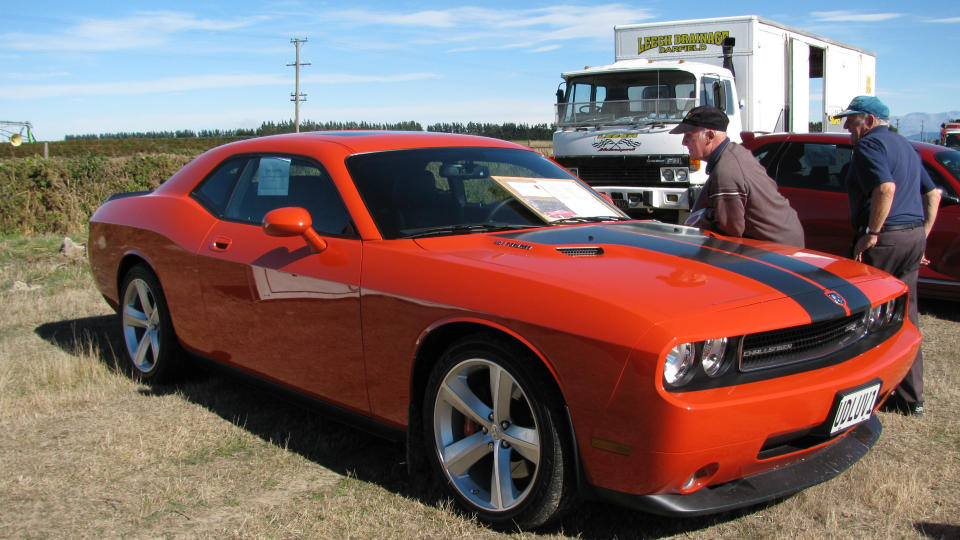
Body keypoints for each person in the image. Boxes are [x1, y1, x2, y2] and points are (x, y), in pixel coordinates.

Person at [834, 95, 941, 417]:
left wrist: (873, 233)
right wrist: (922, 234)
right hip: (910, 237)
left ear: (868, 120)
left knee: (865, 316)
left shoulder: (868, 146)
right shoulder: (907, 146)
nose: (846, 126)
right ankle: (910, 398)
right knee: (907, 315)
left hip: (886, 239)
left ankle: (861, 396)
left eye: (851, 120)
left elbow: (886, 188)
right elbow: (933, 193)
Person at [671, 105, 805, 248]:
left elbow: (728, 234)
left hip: (777, 251)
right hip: (782, 243)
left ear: (710, 136)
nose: (684, 142)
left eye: (689, 136)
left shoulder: (726, 171)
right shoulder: (734, 154)